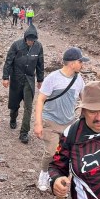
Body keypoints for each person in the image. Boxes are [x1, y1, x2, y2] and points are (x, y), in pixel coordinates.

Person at [33, 47, 89, 191]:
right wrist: (38, 124)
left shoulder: (79, 80)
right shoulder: (53, 78)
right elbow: (40, 100)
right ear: (72, 63)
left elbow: (85, 100)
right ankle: (44, 174)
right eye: (80, 61)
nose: (82, 64)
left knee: (65, 153)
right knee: (52, 152)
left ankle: (58, 177)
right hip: (50, 122)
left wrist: (85, 119)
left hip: (68, 124)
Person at [2, 24, 44, 144]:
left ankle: (24, 132)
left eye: (33, 40)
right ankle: (13, 118)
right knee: (14, 104)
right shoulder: (16, 45)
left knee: (28, 107)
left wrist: (40, 80)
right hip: (16, 78)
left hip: (29, 80)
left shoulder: (39, 47)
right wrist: (6, 77)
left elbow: (40, 64)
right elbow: (8, 61)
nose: (31, 42)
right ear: (25, 38)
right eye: (29, 39)